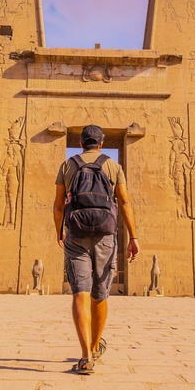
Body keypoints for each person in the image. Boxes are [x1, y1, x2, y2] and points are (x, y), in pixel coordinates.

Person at [54, 125, 139, 375]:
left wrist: (59, 230)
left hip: (76, 233)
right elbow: (124, 201)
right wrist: (133, 236)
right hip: (105, 234)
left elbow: (58, 205)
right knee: (100, 294)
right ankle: (94, 346)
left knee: (80, 292)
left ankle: (85, 356)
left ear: (81, 144)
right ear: (101, 144)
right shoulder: (113, 166)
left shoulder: (68, 166)